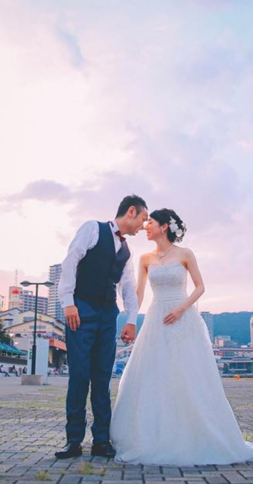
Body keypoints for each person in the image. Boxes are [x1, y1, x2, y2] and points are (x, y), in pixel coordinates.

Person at [109, 209, 253, 465]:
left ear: (164, 227)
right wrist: (129, 318)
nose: (146, 227)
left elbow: (200, 287)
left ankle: (194, 432)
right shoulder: (145, 258)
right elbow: (139, 294)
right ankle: (153, 434)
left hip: (182, 317)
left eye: (151, 223)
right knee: (153, 373)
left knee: (187, 374)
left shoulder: (185, 254)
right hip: (156, 318)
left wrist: (182, 309)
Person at [54, 194, 149, 460]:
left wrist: (131, 320)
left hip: (108, 315)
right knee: (79, 376)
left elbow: (128, 287)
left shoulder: (127, 251)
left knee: (103, 378)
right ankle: (73, 441)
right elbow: (70, 261)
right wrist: (68, 303)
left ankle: (101, 440)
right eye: (143, 218)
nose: (143, 226)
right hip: (81, 310)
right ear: (131, 211)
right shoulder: (92, 229)